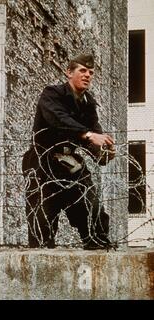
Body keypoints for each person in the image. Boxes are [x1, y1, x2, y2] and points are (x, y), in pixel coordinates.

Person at [22, 54, 116, 250]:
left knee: (93, 213)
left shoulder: (88, 103)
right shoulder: (52, 94)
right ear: (69, 72)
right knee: (42, 223)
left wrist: (102, 153)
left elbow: (94, 134)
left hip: (70, 163)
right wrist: (89, 135)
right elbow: (58, 119)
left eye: (91, 73)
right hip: (43, 163)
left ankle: (97, 247)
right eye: (82, 70)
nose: (88, 75)